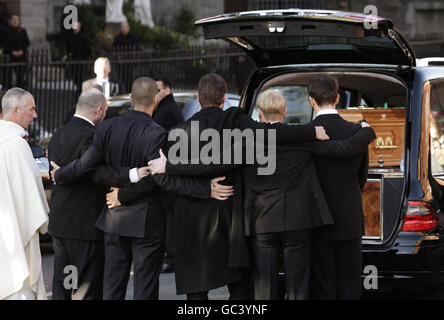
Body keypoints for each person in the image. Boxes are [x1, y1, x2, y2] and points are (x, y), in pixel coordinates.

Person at [146, 73, 376, 300]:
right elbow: (342, 153)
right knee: (281, 289)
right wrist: (363, 132)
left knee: (249, 290)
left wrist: (175, 168)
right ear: (224, 98)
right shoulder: (262, 130)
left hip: (244, 224)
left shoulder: (195, 135)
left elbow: (213, 164)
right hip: (279, 222)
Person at [51, 77, 226, 300]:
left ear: (131, 98)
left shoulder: (106, 128)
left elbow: (87, 165)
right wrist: (205, 189)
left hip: (113, 219)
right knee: (144, 289)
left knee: (112, 288)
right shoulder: (157, 133)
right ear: (155, 99)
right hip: (147, 223)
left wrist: (60, 174)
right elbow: (160, 178)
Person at [48, 88, 138, 300]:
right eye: (105, 111)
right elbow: (98, 173)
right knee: (84, 289)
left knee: (65, 283)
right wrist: (133, 174)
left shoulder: (57, 135)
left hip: (61, 225)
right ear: (99, 110)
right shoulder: (91, 136)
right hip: (84, 227)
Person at [308, 74, 369, 300]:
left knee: (322, 287)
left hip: (316, 218)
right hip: (350, 215)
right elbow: (362, 177)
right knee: (350, 286)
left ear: (311, 101)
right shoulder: (357, 133)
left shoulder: (306, 133)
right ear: (338, 98)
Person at [0, 87, 49, 300]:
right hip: (17, 235)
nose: (35, 115)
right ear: (16, 110)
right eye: (32, 109)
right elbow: (33, 199)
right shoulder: (17, 146)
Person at [153, 76, 184, 273]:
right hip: (169, 168)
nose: (155, 93)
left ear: (167, 89)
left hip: (168, 169)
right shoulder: (168, 110)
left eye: (158, 89)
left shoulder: (168, 111)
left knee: (170, 216)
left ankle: (172, 256)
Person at [2, 14, 29, 88]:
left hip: (21, 57)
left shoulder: (22, 31)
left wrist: (22, 51)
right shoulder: (5, 31)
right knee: (8, 77)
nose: (15, 21)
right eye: (13, 19)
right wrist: (12, 52)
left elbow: (26, 43)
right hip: (9, 57)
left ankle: (19, 91)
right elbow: (4, 43)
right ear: (10, 21)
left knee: (20, 76)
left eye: (17, 19)